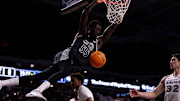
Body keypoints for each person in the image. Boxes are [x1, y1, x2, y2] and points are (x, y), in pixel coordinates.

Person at [0, 0, 119, 101]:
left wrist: (118, 19)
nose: (97, 31)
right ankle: (37, 91)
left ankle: (3, 83)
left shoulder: (98, 43)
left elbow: (110, 29)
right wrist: (95, 2)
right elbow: (85, 13)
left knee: (41, 76)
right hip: (66, 56)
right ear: (90, 28)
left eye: (99, 30)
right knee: (64, 71)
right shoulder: (82, 33)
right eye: (95, 29)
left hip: (72, 63)